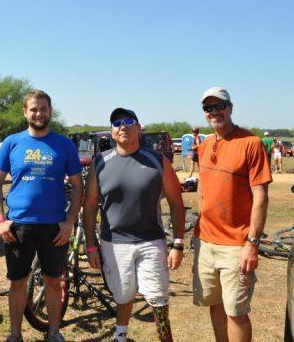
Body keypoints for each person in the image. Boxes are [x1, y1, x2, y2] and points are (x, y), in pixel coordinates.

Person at [83, 108, 186, 342]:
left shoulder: (158, 161)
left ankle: (165, 338)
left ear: (139, 128)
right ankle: (120, 337)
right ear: (111, 132)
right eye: (117, 123)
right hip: (114, 243)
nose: (123, 126)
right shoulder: (99, 162)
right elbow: (89, 206)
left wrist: (178, 243)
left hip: (151, 241)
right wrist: (90, 245)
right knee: (123, 295)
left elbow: (176, 202)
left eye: (129, 121)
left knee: (158, 296)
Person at [0, 89, 83, 342]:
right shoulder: (12, 142)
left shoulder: (64, 144)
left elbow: (78, 186)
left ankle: (53, 332)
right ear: (25, 112)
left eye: (43, 108)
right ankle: (15, 334)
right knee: (18, 283)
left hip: (55, 226)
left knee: (53, 281)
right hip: (18, 226)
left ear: (50, 111)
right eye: (33, 109)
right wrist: (0, 220)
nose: (39, 113)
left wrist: (70, 221)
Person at [193, 87, 272, 342]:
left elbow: (260, 196)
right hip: (205, 243)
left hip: (236, 245)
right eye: (209, 108)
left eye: (219, 106)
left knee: (236, 312)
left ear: (230, 107)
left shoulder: (251, 143)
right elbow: (203, 190)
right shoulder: (205, 145)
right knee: (215, 305)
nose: (214, 112)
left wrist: (252, 243)